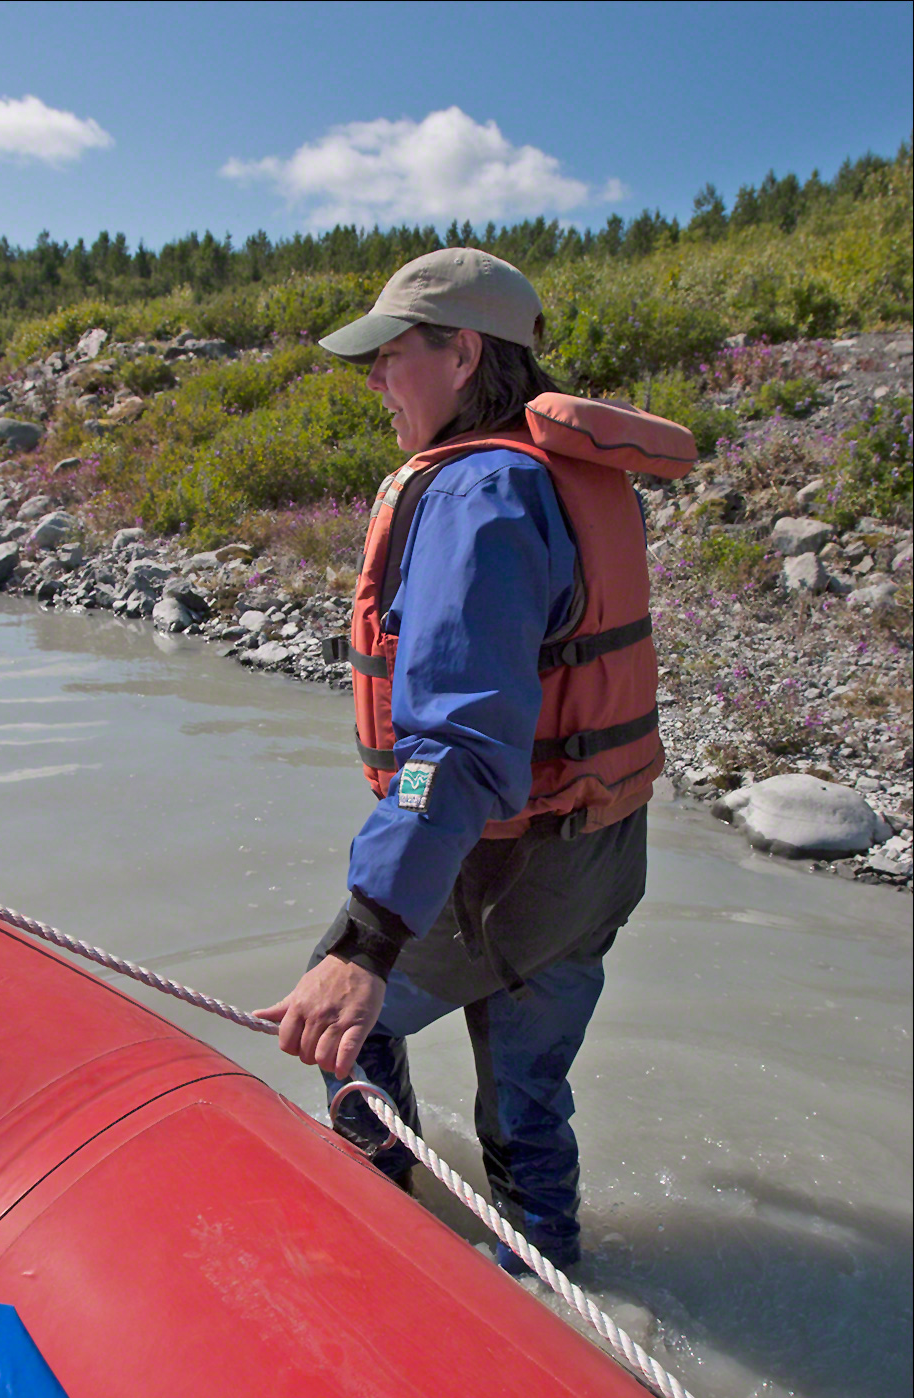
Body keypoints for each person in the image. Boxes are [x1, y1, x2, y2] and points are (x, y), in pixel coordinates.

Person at [254, 248, 694, 1276]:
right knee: (530, 1107)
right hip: (598, 866)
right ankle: (548, 1287)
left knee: (336, 1026)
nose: (373, 380)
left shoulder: (478, 491)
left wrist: (363, 943)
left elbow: (453, 747)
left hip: (501, 869)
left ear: (461, 353)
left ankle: (383, 1239)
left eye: (389, 354)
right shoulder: (574, 473)